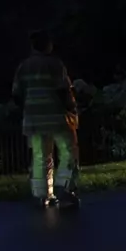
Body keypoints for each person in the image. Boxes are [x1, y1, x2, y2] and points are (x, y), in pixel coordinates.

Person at [12, 30, 81, 209]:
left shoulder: (24, 66)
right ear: (47, 44)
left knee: (40, 157)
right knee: (68, 152)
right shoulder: (55, 64)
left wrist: (29, 109)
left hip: (34, 121)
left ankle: (43, 195)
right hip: (58, 118)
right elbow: (63, 90)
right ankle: (64, 188)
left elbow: (16, 94)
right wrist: (72, 108)